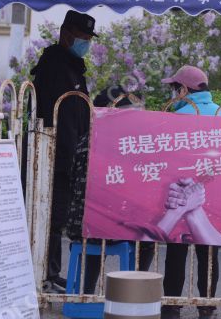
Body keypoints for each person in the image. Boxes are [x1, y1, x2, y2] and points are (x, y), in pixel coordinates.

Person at [65, 86, 155, 294]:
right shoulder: (126, 146)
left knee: (99, 226)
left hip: (79, 225)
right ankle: (134, 292)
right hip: (104, 226)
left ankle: (86, 291)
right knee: (149, 238)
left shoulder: (86, 139)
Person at [31, 10, 97, 293]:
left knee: (59, 217)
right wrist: (69, 159)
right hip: (55, 156)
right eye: (82, 38)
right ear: (66, 34)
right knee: (51, 217)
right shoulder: (55, 66)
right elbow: (59, 117)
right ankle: (46, 272)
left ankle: (52, 270)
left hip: (72, 157)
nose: (86, 43)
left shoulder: (74, 65)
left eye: (88, 39)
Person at [159, 65, 221, 319]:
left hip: (179, 195)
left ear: (184, 89)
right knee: (208, 255)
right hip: (216, 197)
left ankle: (171, 306)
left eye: (174, 89)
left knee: (176, 252)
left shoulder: (176, 117)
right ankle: (207, 307)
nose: (172, 94)